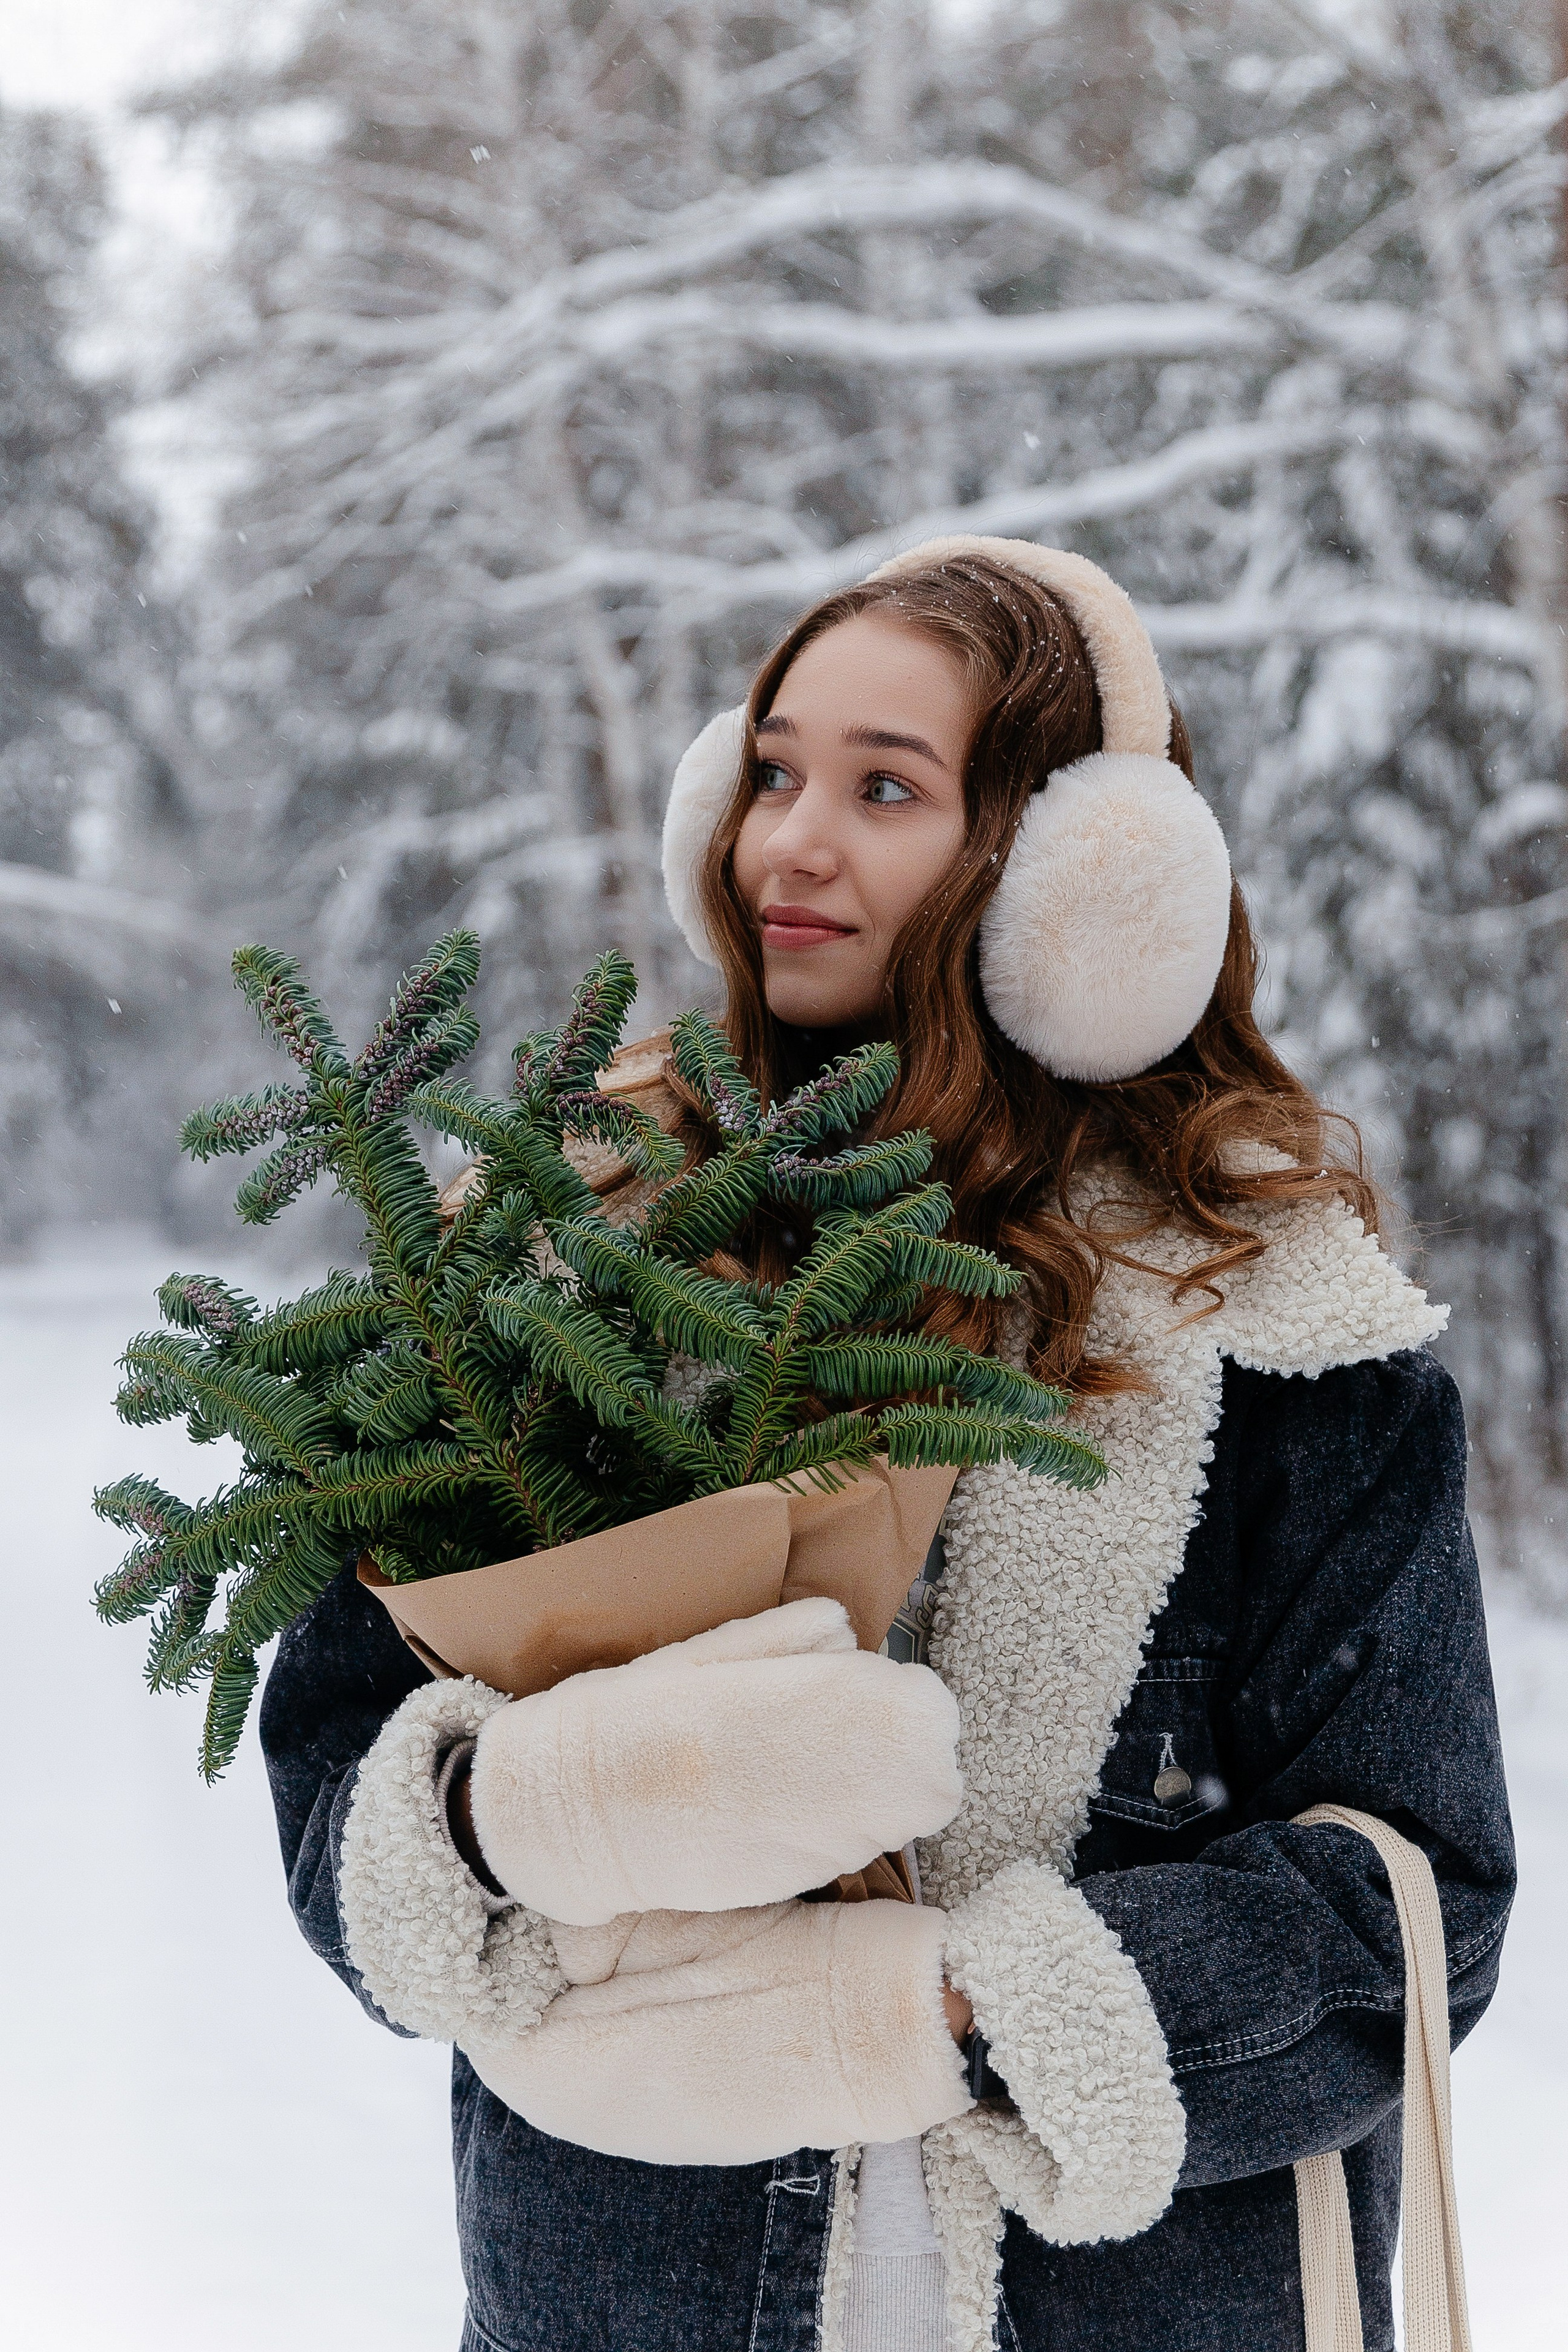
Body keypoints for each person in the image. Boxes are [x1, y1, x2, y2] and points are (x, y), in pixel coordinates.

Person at [261, 538, 1514, 2352]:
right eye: (772, 773)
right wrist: (530, 1813)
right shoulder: (565, 1254)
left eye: (885, 789)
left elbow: (1416, 1901)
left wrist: (945, 2014)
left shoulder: (1281, 1339)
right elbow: (340, 1793)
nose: (789, 842)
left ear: (1078, 872)